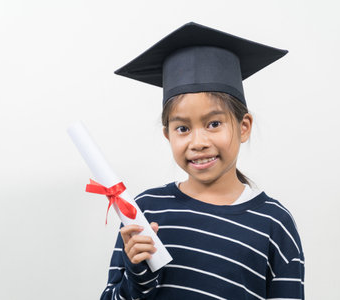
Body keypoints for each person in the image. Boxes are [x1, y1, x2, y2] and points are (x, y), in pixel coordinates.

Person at [101, 22, 305, 300]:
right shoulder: (143, 212)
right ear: (167, 134)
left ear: (243, 126)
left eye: (213, 123)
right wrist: (137, 276)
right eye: (182, 128)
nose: (198, 142)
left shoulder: (273, 223)